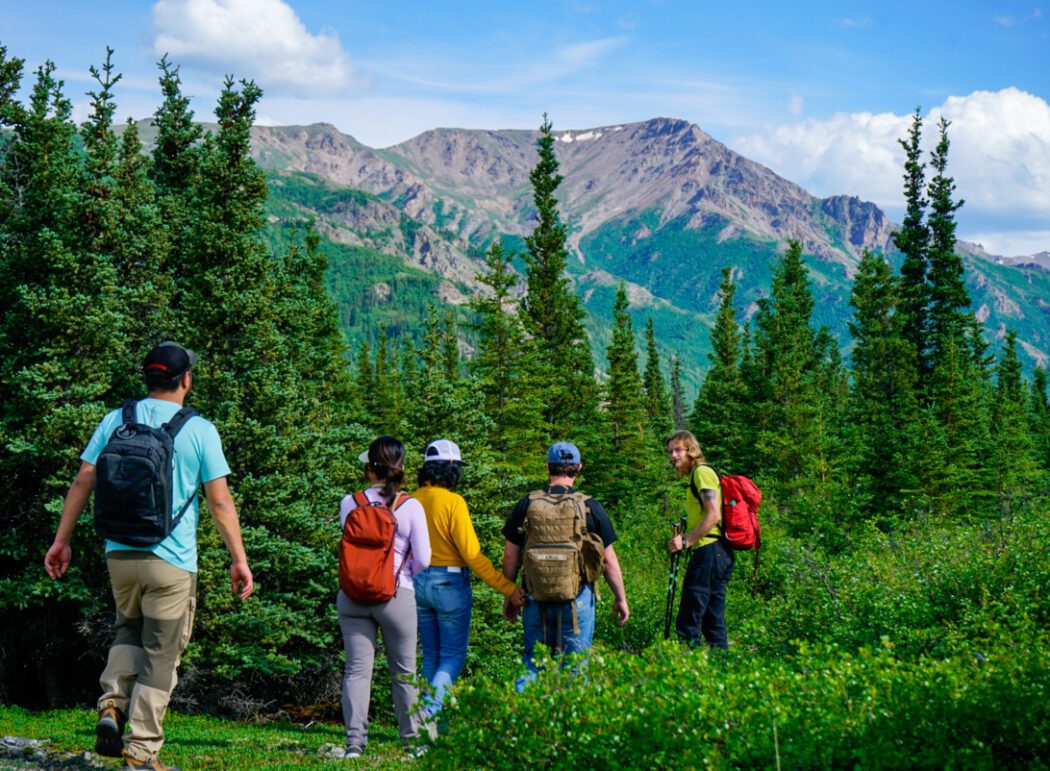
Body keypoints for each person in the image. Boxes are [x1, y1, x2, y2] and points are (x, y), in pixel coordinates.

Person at [43, 342, 253, 771]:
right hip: (170, 561)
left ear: (148, 377)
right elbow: (220, 502)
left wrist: (61, 540)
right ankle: (141, 750)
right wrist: (239, 558)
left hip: (119, 552)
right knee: (161, 652)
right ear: (186, 380)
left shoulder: (116, 420)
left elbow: (85, 479)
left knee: (128, 630)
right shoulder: (199, 429)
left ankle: (112, 706)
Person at [412, 439, 525, 717]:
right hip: (449, 583)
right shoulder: (453, 502)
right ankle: (428, 717)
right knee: (452, 657)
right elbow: (473, 555)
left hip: (417, 582)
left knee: (432, 656)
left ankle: (431, 724)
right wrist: (508, 588)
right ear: (451, 468)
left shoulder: (411, 499)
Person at [501, 442, 628, 686]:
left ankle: (520, 719)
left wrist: (509, 595)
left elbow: (511, 557)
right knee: (576, 667)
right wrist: (620, 598)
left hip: (534, 596)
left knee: (533, 663)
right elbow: (609, 561)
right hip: (576, 600)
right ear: (578, 468)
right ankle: (571, 721)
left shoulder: (527, 504)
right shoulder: (590, 507)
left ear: (548, 467)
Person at [337, 436, 431, 759]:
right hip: (395, 595)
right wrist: (402, 574)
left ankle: (354, 745)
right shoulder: (409, 506)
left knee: (357, 670)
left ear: (369, 468)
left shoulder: (349, 503)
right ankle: (413, 745)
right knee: (404, 673)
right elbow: (425, 558)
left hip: (352, 597)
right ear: (400, 468)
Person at [665, 430, 734, 649]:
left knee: (689, 619)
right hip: (718, 552)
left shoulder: (701, 473)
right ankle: (721, 669)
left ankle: (689, 675)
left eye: (678, 450)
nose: (673, 456)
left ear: (691, 450)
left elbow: (714, 514)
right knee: (713, 620)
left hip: (709, 552)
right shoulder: (700, 475)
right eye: (670, 452)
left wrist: (687, 540)